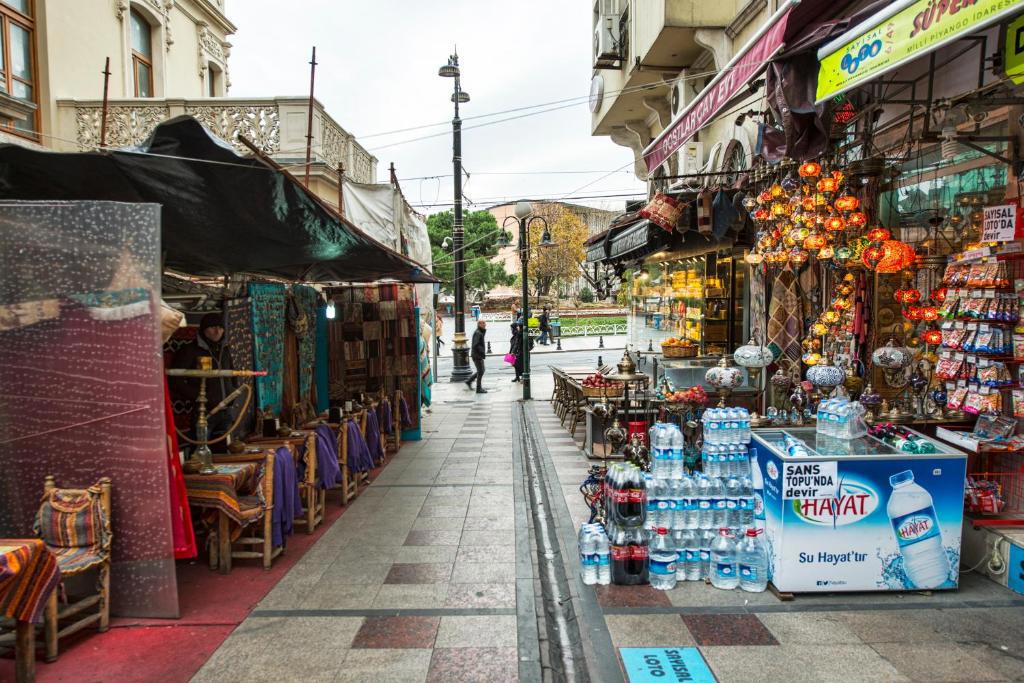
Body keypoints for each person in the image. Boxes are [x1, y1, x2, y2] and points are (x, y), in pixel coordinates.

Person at [170, 311, 236, 442]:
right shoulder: (190, 351)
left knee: (224, 452)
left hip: (226, 412)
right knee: (201, 452)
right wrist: (200, 397)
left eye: (221, 328)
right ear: (204, 330)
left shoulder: (225, 350)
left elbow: (232, 374)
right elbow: (175, 380)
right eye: (213, 327)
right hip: (204, 413)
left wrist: (233, 392)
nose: (217, 331)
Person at [465, 319, 488, 394]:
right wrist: (481, 352)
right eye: (483, 323)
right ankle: (478, 388)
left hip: (477, 354)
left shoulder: (479, 332)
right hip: (477, 355)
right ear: (479, 324)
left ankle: (469, 381)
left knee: (481, 370)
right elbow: (476, 344)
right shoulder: (478, 333)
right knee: (481, 371)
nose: (485, 324)